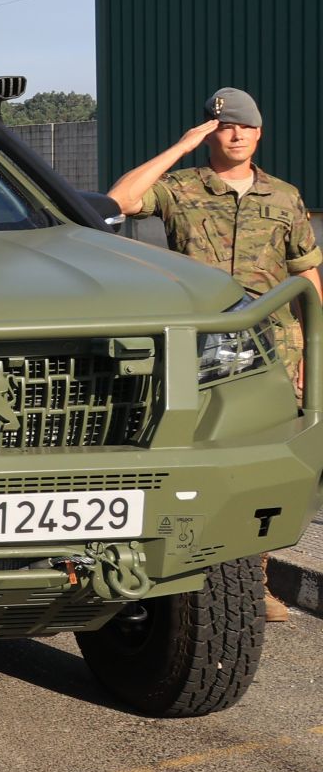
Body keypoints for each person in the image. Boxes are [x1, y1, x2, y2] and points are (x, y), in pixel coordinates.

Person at [108, 87, 321, 623]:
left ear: (259, 133)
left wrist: (314, 349)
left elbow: (308, 276)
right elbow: (122, 200)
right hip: (201, 353)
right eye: (226, 127)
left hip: (273, 350)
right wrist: (179, 148)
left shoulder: (285, 197)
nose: (237, 135)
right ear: (210, 131)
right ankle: (176, 582)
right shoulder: (180, 188)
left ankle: (255, 587)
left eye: (247, 127)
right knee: (196, 460)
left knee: (264, 467)